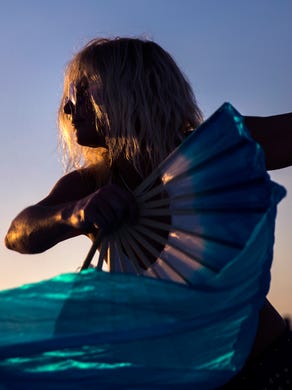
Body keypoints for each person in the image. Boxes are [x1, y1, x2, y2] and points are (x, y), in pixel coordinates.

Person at [4, 37, 292, 388]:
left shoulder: (213, 151)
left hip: (267, 364)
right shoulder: (90, 185)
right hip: (176, 379)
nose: (68, 107)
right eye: (69, 96)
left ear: (132, 88)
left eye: (83, 89)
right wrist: (72, 214)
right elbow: (18, 235)